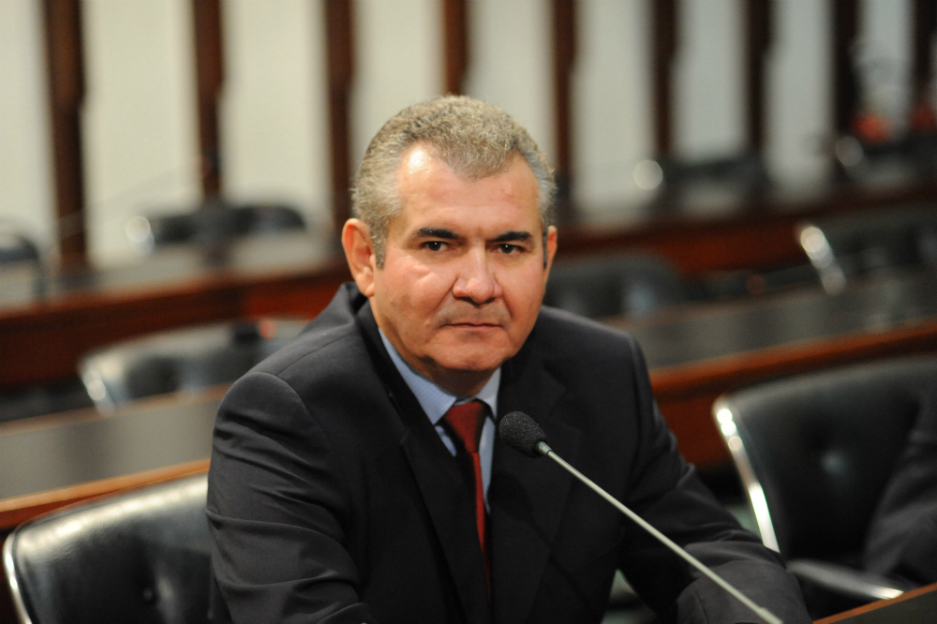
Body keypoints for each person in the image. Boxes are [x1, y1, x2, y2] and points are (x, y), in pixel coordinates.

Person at [207, 96, 810, 623]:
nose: (479, 285)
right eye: (438, 244)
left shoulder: (598, 371)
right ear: (366, 257)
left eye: (508, 247)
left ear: (547, 255)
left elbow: (707, 554)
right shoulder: (283, 416)